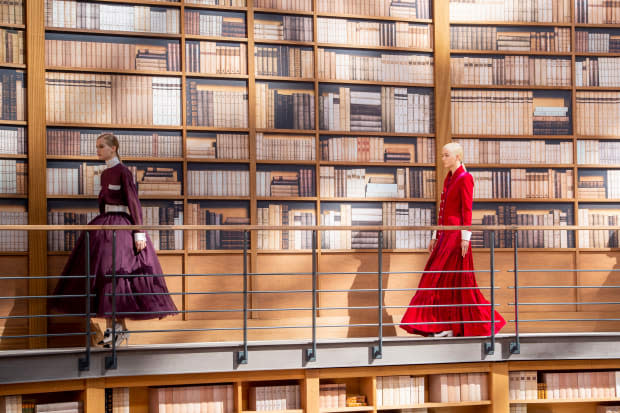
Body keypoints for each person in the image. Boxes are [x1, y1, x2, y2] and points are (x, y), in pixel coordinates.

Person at [52, 133, 178, 347]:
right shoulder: (105, 173)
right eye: (97, 146)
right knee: (104, 277)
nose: (98, 150)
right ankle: (115, 329)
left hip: (121, 228)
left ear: (114, 148)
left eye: (101, 146)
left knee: (116, 277)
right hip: (104, 227)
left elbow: (133, 201)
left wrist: (138, 231)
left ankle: (118, 330)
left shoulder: (123, 172)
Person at [400, 142, 506, 337]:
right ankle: (443, 325)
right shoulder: (449, 178)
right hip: (444, 236)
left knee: (449, 281)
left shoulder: (466, 178)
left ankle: (448, 325)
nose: (443, 159)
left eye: (446, 155)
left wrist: (465, 238)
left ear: (457, 157)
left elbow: (466, 209)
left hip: (456, 238)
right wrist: (435, 234)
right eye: (442, 155)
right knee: (440, 281)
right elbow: (442, 210)